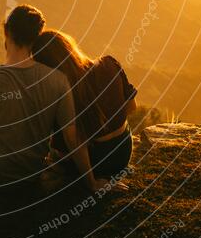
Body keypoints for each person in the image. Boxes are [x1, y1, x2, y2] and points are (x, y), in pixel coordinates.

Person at [0, 5, 107, 192]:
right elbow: (73, 139)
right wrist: (92, 183)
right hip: (33, 176)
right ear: (37, 37)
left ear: (7, 33)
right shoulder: (58, 81)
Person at [31, 29, 137, 178]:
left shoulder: (63, 91)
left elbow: (75, 142)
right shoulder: (109, 63)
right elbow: (132, 107)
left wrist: (92, 184)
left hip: (94, 163)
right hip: (123, 152)